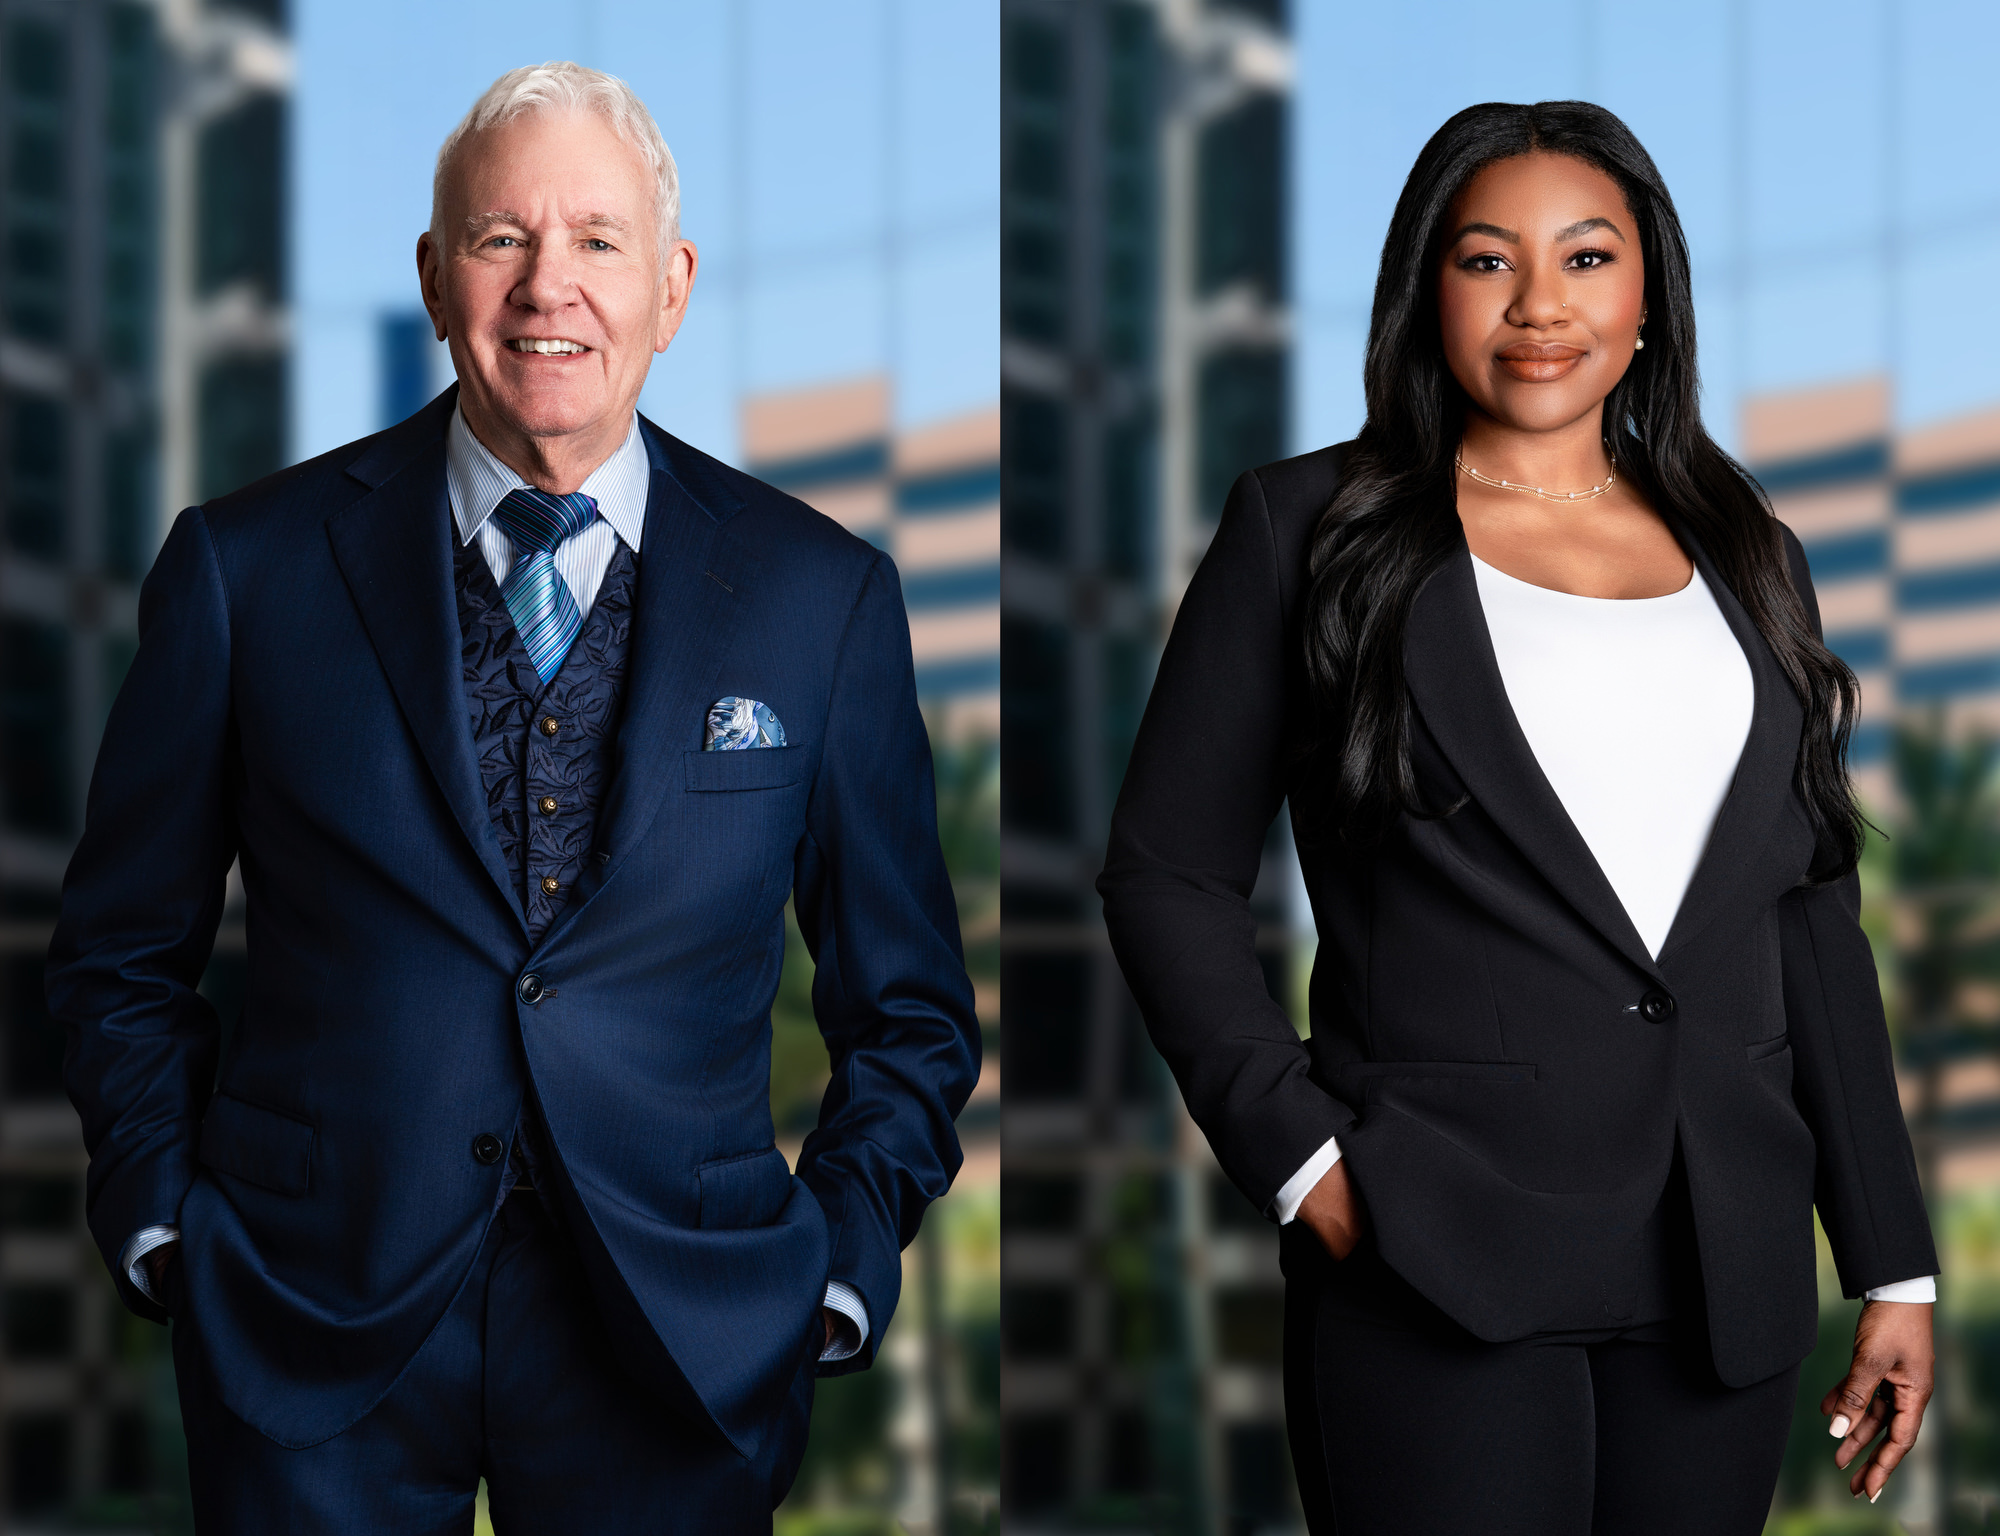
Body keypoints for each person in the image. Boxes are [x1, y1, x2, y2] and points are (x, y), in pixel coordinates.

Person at [48, 61, 978, 1533]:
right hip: (306, 1316)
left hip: (686, 1338)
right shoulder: (246, 569)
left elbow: (912, 1007)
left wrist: (840, 1265)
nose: (552, 288)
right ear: (435, 277)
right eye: (502, 240)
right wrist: (168, 1226)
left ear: (671, 289)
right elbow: (117, 953)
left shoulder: (824, 599)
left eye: (600, 243)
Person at [1097, 100, 1937, 1535]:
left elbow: (1808, 916)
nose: (1542, 306)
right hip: (1435, 1252)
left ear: (1652, 298)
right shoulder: (1306, 530)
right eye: (1489, 261)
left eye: (1589, 258)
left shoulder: (1753, 555)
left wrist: (1893, 1266)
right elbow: (1163, 873)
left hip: (1717, 1269)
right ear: (1428, 290)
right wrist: (1307, 1166)